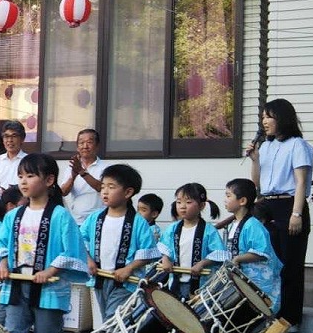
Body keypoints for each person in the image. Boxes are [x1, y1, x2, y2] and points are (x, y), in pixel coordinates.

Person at [0, 154, 87, 333]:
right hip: (16, 286)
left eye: (30, 176)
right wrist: (1, 263)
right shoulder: (14, 216)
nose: (23, 181)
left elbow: (72, 250)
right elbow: (1, 245)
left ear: (49, 180)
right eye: (21, 176)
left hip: (48, 289)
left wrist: (51, 270)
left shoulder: (60, 216)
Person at [247, 98, 313, 331]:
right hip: (267, 203)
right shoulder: (266, 146)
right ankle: (269, 312)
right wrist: (255, 159)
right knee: (268, 263)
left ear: (282, 119)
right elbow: (256, 183)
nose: (264, 121)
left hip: (289, 205)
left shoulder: (298, 145)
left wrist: (297, 214)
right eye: (263, 117)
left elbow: (300, 182)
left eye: (269, 116)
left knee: (290, 265)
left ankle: (291, 318)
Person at [80, 164, 159, 319]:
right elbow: (80, 240)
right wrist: (88, 260)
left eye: (111, 187)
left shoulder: (138, 222)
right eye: (103, 186)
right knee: (106, 318)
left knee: (113, 319)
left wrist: (128, 269)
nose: (105, 191)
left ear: (128, 192)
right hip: (100, 278)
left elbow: (149, 252)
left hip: (125, 282)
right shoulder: (94, 218)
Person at [158, 183, 228, 300]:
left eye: (188, 202)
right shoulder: (173, 228)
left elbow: (218, 253)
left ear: (202, 206)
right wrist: (165, 260)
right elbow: (165, 248)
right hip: (176, 282)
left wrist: (202, 264)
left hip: (200, 285)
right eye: (179, 202)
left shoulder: (209, 230)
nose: (182, 206)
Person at [223, 179, 282, 312]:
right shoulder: (235, 224)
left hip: (257, 284)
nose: (225, 200)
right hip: (243, 282)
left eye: (228, 196)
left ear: (242, 201)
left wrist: (238, 259)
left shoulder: (253, 225)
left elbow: (261, 252)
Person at [57, 128, 106, 224]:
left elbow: (100, 187)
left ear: (97, 146)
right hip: (77, 220)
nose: (85, 146)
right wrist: (73, 176)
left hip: (99, 220)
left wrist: (81, 172)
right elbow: (63, 192)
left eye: (89, 142)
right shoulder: (71, 167)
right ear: (77, 147)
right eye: (81, 143)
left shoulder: (105, 167)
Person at [0, 120, 28, 191]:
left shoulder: (28, 161)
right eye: (6, 136)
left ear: (22, 139)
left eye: (14, 136)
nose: (10, 140)